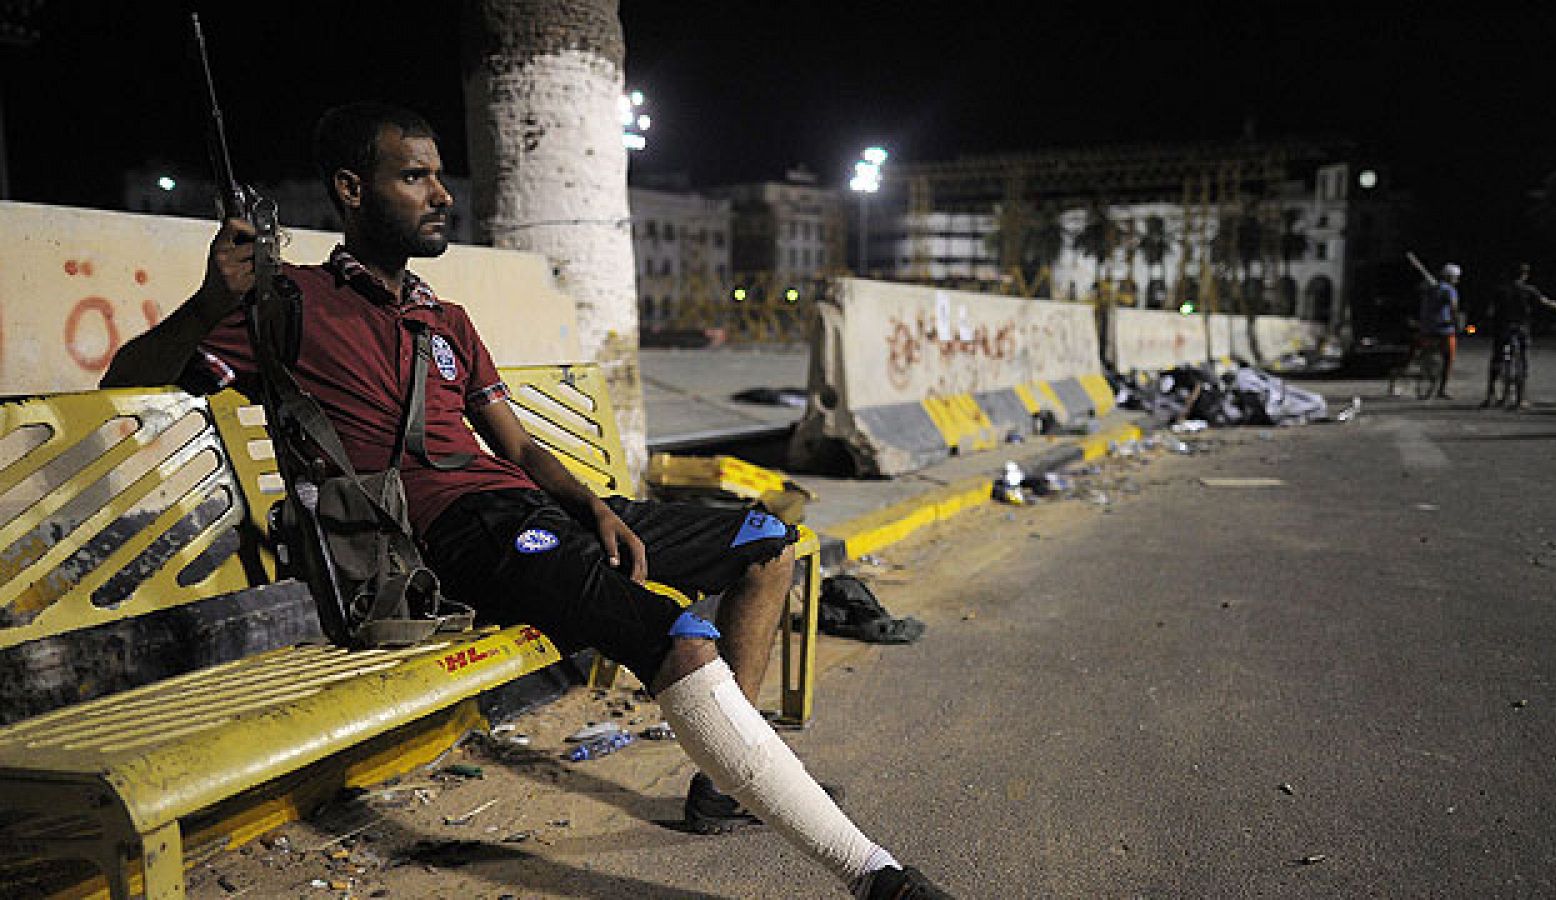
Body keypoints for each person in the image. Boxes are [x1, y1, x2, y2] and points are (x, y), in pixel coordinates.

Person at [102, 102, 952, 899]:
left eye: (440, 176)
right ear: (351, 190)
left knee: (768, 539)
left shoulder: (446, 319)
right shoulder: (286, 306)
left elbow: (518, 449)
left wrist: (595, 506)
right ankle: (872, 874)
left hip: (532, 511)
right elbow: (126, 381)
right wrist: (211, 302)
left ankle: (725, 786)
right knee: (671, 631)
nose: (442, 195)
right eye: (415, 177)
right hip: (450, 538)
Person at [1480, 262, 1556, 409]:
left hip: (1503, 329)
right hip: (1521, 329)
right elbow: (1546, 302)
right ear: (1524, 275)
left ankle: (1490, 396)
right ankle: (1520, 399)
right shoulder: (1529, 290)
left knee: (1497, 361)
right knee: (1522, 362)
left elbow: (1490, 311)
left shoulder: (1500, 290)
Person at [1414, 262, 1463, 399]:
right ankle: (1442, 388)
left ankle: (1426, 377)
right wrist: (1457, 324)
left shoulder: (1429, 287)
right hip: (1444, 329)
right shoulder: (1450, 290)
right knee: (1449, 358)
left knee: (1427, 354)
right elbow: (1453, 309)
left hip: (1427, 328)